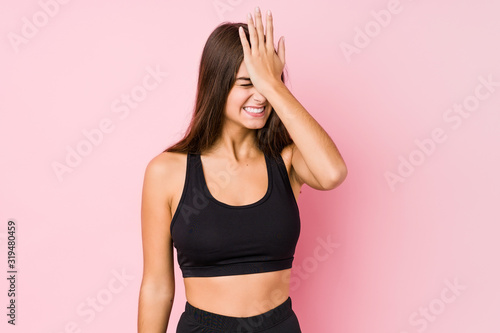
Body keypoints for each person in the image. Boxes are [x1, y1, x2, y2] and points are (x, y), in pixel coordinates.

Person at [137, 6, 347, 333]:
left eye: (268, 83)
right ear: (217, 85)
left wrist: (275, 85)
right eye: (247, 83)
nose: (260, 95)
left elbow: (333, 173)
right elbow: (157, 286)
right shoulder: (166, 171)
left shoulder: (287, 162)